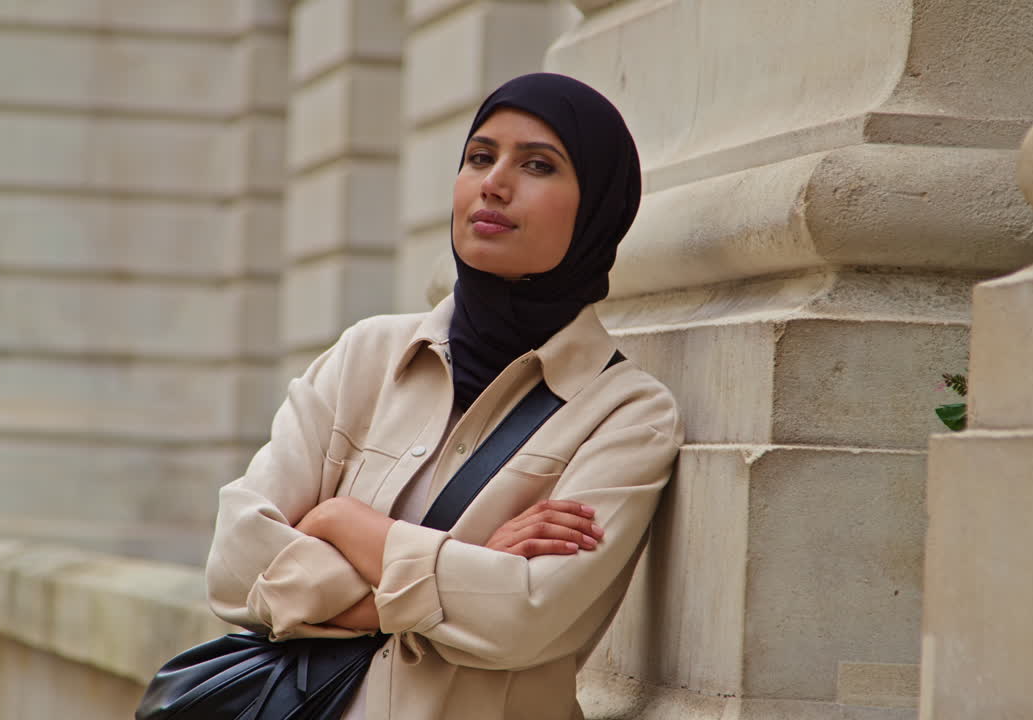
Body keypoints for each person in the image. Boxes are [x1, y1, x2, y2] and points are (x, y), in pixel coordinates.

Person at [205, 73, 683, 720]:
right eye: (480, 157)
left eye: (538, 165)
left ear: (597, 207)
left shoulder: (626, 413)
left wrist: (341, 525)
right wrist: (471, 565)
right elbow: (235, 560)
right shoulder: (364, 356)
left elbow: (521, 617)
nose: (494, 182)